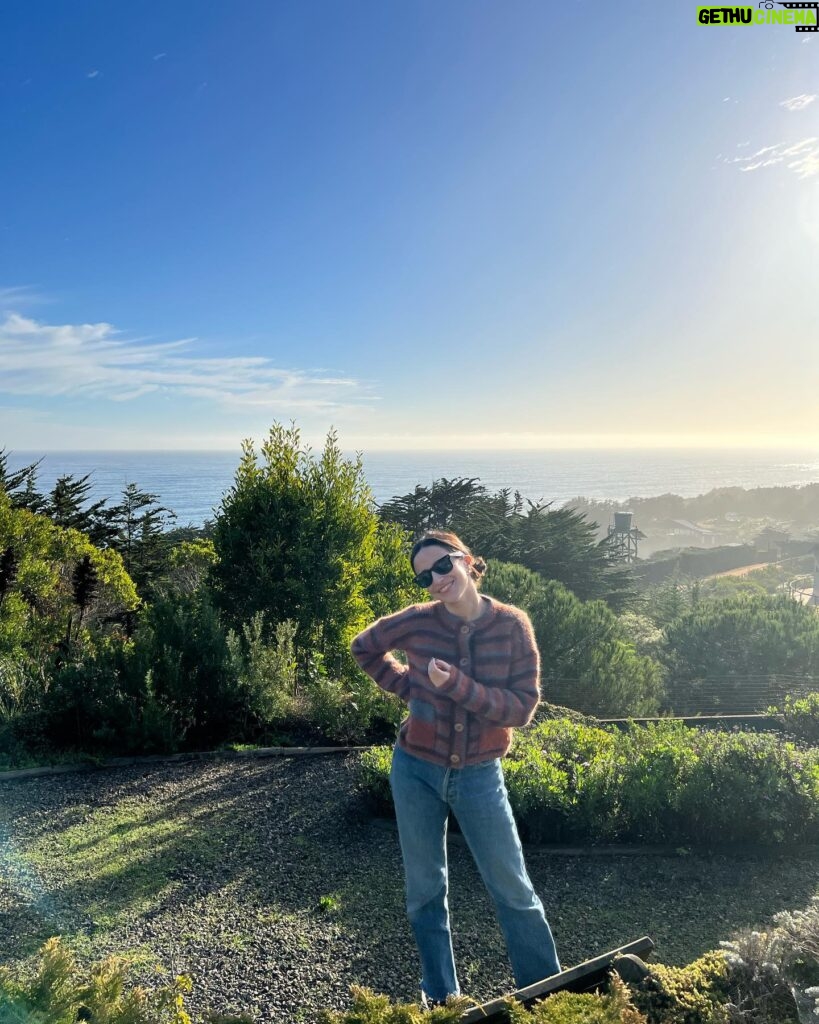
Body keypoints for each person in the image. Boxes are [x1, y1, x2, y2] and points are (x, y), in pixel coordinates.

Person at [351, 529, 561, 1006]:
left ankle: (549, 998)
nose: (436, 580)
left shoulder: (511, 626)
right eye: (425, 576)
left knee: (513, 888)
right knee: (425, 890)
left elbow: (521, 709)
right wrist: (411, 688)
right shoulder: (418, 622)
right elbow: (363, 647)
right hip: (415, 771)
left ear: (467, 560)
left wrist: (457, 686)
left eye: (442, 566)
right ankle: (443, 999)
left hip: (480, 775)